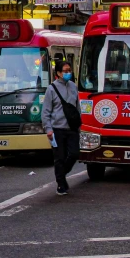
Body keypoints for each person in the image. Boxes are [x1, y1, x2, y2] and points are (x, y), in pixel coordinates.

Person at [41, 61, 80, 196]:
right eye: (65, 71)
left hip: (72, 128)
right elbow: (45, 111)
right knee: (60, 157)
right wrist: (48, 129)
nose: (68, 73)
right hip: (57, 129)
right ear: (58, 73)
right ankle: (61, 184)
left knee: (74, 153)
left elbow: (77, 107)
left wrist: (79, 124)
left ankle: (61, 174)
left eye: (69, 70)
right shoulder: (51, 89)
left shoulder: (74, 87)